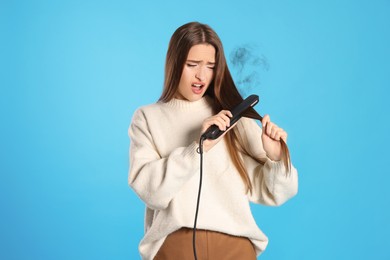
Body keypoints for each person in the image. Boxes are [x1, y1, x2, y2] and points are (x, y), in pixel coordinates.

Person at [128, 21, 298, 260]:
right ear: (174, 63)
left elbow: (278, 193)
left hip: (235, 247)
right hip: (176, 247)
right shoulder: (147, 118)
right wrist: (198, 148)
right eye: (192, 65)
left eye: (210, 66)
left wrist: (277, 158)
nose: (201, 75)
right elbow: (151, 192)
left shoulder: (231, 116)